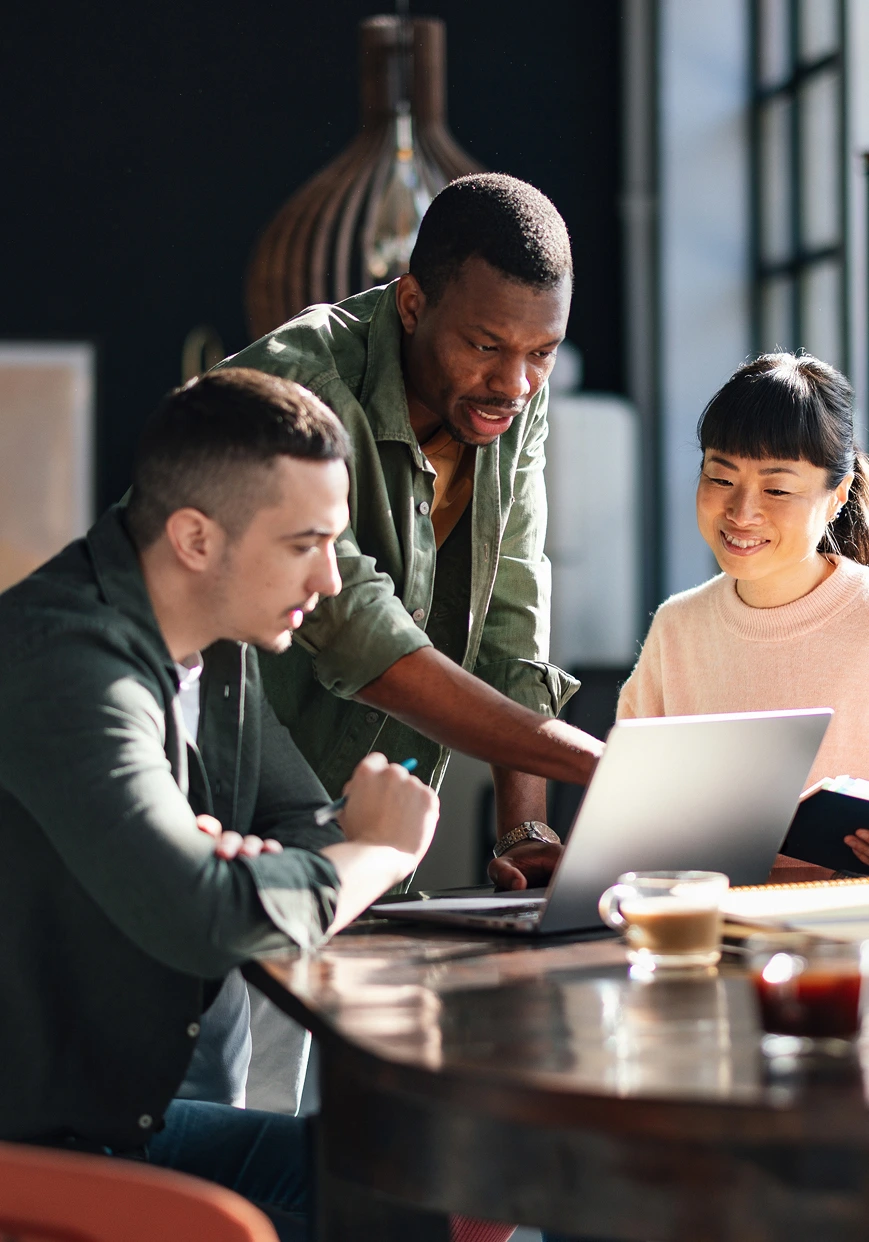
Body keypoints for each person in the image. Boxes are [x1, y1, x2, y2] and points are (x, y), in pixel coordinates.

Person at [0, 368, 439, 1240]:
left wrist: (252, 873)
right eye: (302, 543)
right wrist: (383, 853)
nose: (327, 578)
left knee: (407, 1192)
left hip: (123, 1116)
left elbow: (305, 824)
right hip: (37, 1143)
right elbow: (210, 916)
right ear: (197, 537)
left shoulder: (218, 645)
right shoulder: (64, 664)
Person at [221, 172, 604, 893]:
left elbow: (510, 618)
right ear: (411, 302)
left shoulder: (512, 399)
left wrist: (526, 830)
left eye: (541, 352)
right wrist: (606, 769)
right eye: (486, 345)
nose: (515, 383)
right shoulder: (295, 388)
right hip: (214, 818)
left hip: (363, 862)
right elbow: (362, 635)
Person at [617, 350, 869, 872]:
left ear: (838, 496)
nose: (741, 511)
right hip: (709, 930)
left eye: (777, 488)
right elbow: (626, 815)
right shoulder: (678, 629)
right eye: (721, 478)